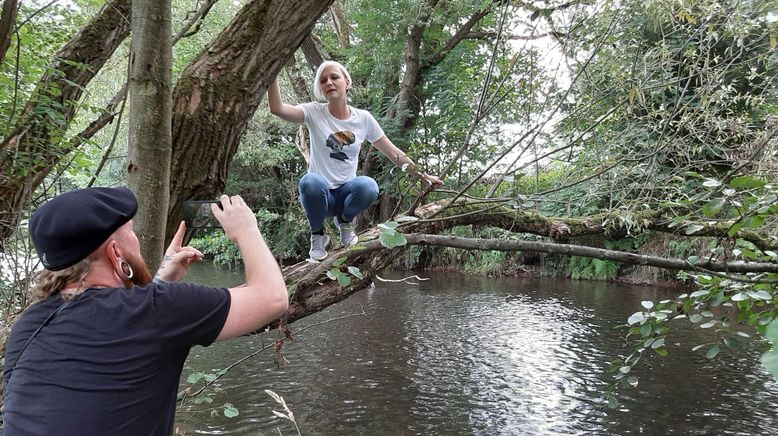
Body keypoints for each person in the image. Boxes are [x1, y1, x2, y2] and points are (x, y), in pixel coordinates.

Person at [1, 187, 288, 436]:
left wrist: (162, 281)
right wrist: (246, 229)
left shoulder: (27, 327)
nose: (137, 241)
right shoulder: (155, 309)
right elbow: (272, 298)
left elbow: (117, 333)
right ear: (115, 253)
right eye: (132, 232)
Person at [268, 60, 443, 260]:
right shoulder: (314, 112)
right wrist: (272, 75)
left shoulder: (363, 119)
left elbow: (394, 154)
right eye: (323, 81)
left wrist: (423, 176)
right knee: (309, 182)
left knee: (368, 186)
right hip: (321, 198)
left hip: (345, 197)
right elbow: (277, 109)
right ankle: (317, 235)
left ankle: (344, 221)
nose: (329, 83)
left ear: (347, 82)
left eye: (334, 77)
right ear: (321, 89)